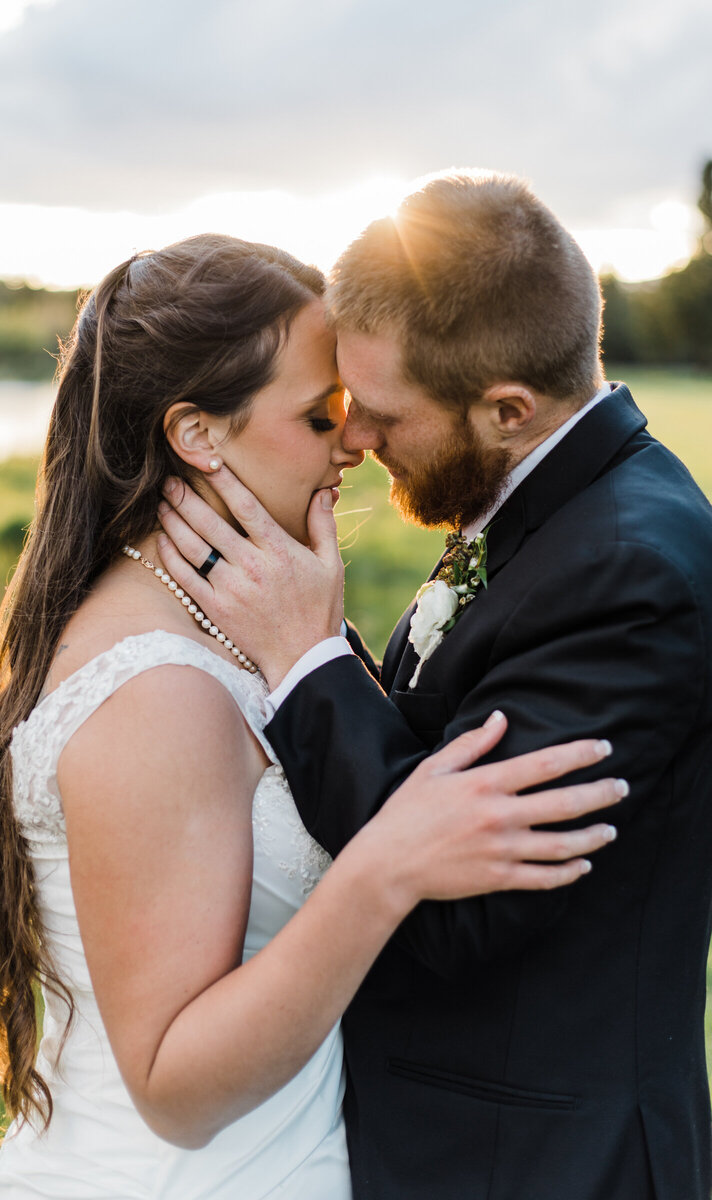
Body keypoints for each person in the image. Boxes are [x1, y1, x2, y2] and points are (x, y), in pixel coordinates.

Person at [0, 234, 620, 1200]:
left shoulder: (236, 613)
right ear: (199, 435)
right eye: (319, 416)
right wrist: (387, 864)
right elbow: (175, 1087)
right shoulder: (156, 692)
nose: (357, 441)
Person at [157, 174, 712, 1200]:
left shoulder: (628, 572)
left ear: (507, 408)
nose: (355, 443)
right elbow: (433, 755)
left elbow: (459, 901)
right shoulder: (550, 503)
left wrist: (305, 659)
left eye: (381, 415)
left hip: (535, 1166)